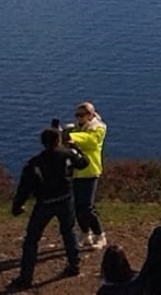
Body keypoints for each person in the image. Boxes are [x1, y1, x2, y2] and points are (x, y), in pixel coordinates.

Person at [10, 126, 89, 290]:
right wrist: (74, 147)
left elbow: (25, 187)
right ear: (58, 140)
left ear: (42, 143)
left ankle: (26, 278)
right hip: (65, 200)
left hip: (44, 203)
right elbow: (83, 163)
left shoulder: (35, 163)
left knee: (32, 239)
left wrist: (18, 205)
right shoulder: (68, 154)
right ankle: (74, 265)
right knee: (68, 232)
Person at [67, 101, 109, 251]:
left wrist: (71, 137)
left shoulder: (98, 128)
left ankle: (100, 235)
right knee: (78, 206)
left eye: (81, 115)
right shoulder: (77, 128)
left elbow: (91, 141)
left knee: (88, 206)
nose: (78, 117)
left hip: (90, 171)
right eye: (77, 115)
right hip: (77, 172)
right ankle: (85, 233)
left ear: (90, 115)